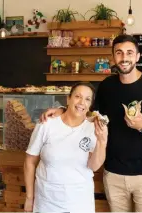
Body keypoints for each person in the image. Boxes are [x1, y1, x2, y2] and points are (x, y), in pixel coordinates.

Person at [40, 34, 142, 212]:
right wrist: (63, 110)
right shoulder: (106, 86)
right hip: (113, 174)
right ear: (113, 57)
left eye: (130, 53)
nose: (124, 58)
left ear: (138, 57)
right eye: (119, 53)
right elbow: (87, 112)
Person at [24, 82, 108, 213]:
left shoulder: (93, 128)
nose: (81, 102)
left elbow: (94, 166)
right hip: (47, 201)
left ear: (90, 105)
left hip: (80, 202)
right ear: (68, 99)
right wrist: (29, 197)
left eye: (87, 99)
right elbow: (29, 162)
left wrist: (102, 142)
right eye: (77, 96)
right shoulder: (47, 124)